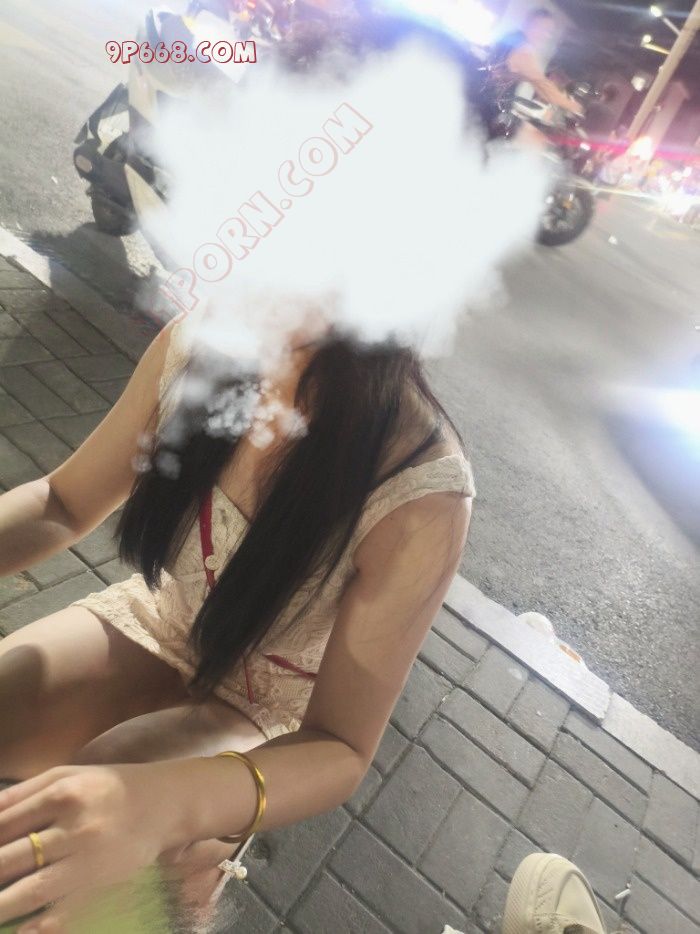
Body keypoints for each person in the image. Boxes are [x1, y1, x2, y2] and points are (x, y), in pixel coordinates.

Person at [0, 305, 475, 931]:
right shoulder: (201, 338)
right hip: (164, 620)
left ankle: (183, 884)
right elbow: (63, 501)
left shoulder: (421, 492)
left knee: (94, 823)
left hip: (269, 703)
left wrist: (165, 803)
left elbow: (340, 744)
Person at [479, 7, 582, 140]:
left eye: (548, 32)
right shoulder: (523, 50)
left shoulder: (512, 37)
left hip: (484, 100)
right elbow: (543, 86)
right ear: (530, 23)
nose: (545, 35)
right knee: (536, 140)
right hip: (491, 109)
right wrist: (575, 107)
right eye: (542, 28)